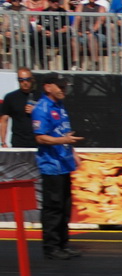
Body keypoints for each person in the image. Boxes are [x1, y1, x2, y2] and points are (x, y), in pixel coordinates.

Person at [31, 72, 83, 260]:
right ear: (48, 87)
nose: (63, 89)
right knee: (53, 207)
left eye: (64, 86)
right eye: (60, 86)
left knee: (65, 207)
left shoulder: (60, 106)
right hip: (51, 166)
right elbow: (40, 137)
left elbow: (65, 133)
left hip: (64, 163)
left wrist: (73, 152)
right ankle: (51, 247)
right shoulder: (42, 108)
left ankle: (63, 244)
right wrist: (63, 140)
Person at [1, 67, 37, 148]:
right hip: (18, 142)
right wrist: (3, 142)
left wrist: (36, 110)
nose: (25, 82)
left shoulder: (40, 96)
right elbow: (4, 120)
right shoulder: (10, 97)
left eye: (28, 79)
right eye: (21, 80)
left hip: (38, 142)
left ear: (32, 80)